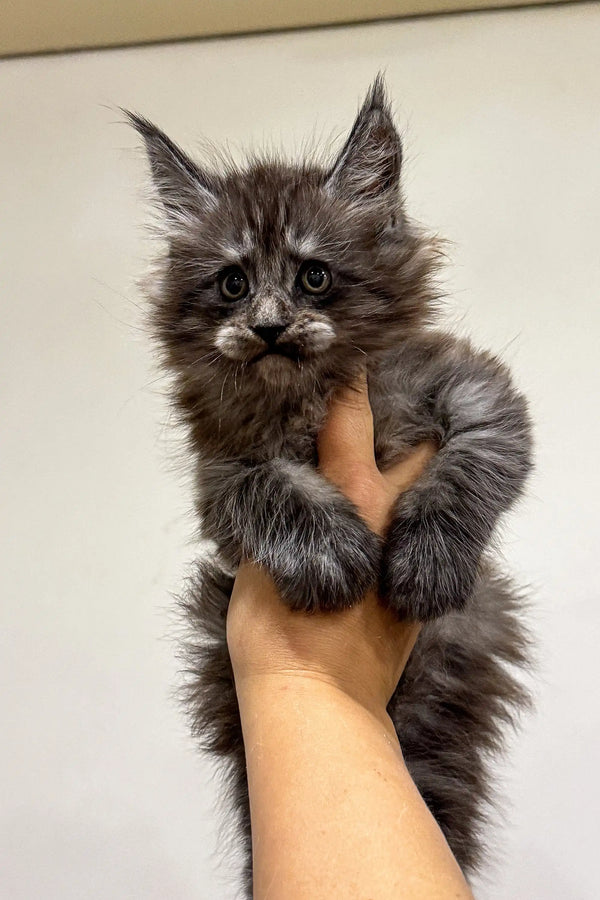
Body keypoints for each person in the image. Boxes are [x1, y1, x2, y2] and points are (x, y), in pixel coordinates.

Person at [227, 375, 475, 899]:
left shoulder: (425, 365)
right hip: (287, 706)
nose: (269, 317)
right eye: (234, 286)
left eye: (314, 283)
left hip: (435, 683)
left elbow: (497, 418)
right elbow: (224, 486)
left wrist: (445, 520)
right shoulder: (225, 400)